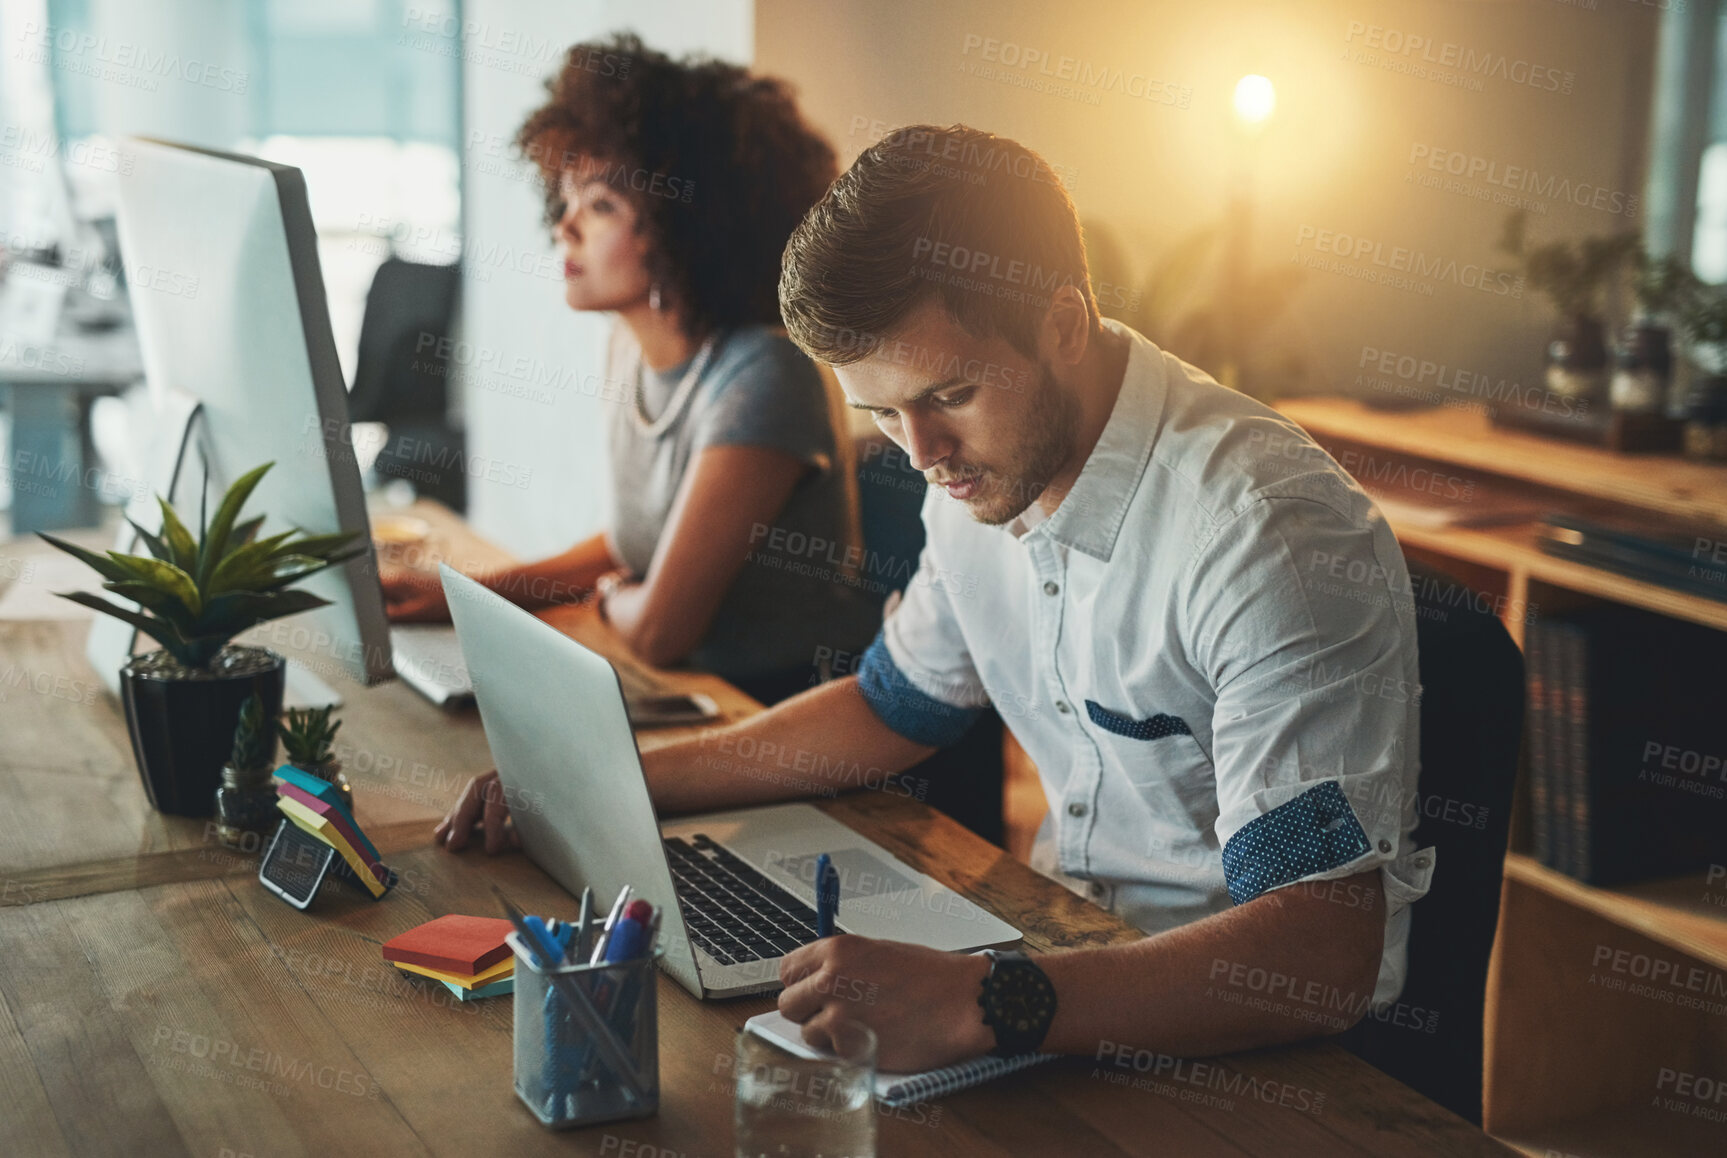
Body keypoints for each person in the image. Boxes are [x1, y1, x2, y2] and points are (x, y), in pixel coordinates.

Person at [437, 124, 1431, 1075]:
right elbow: (888, 706)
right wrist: (612, 781)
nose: (919, 455)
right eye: (880, 412)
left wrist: (987, 1002)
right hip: (1058, 966)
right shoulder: (976, 471)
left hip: (1241, 1044)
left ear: (1062, 322)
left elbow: (1314, 959)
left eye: (947, 397)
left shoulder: (1263, 536)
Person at [381, 34, 880, 705]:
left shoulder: (766, 375)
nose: (565, 226)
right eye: (567, 200)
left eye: (602, 206)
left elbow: (658, 631)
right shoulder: (630, 346)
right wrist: (464, 595)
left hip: (769, 711)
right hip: (679, 690)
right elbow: (632, 546)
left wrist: (603, 600)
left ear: (692, 227)